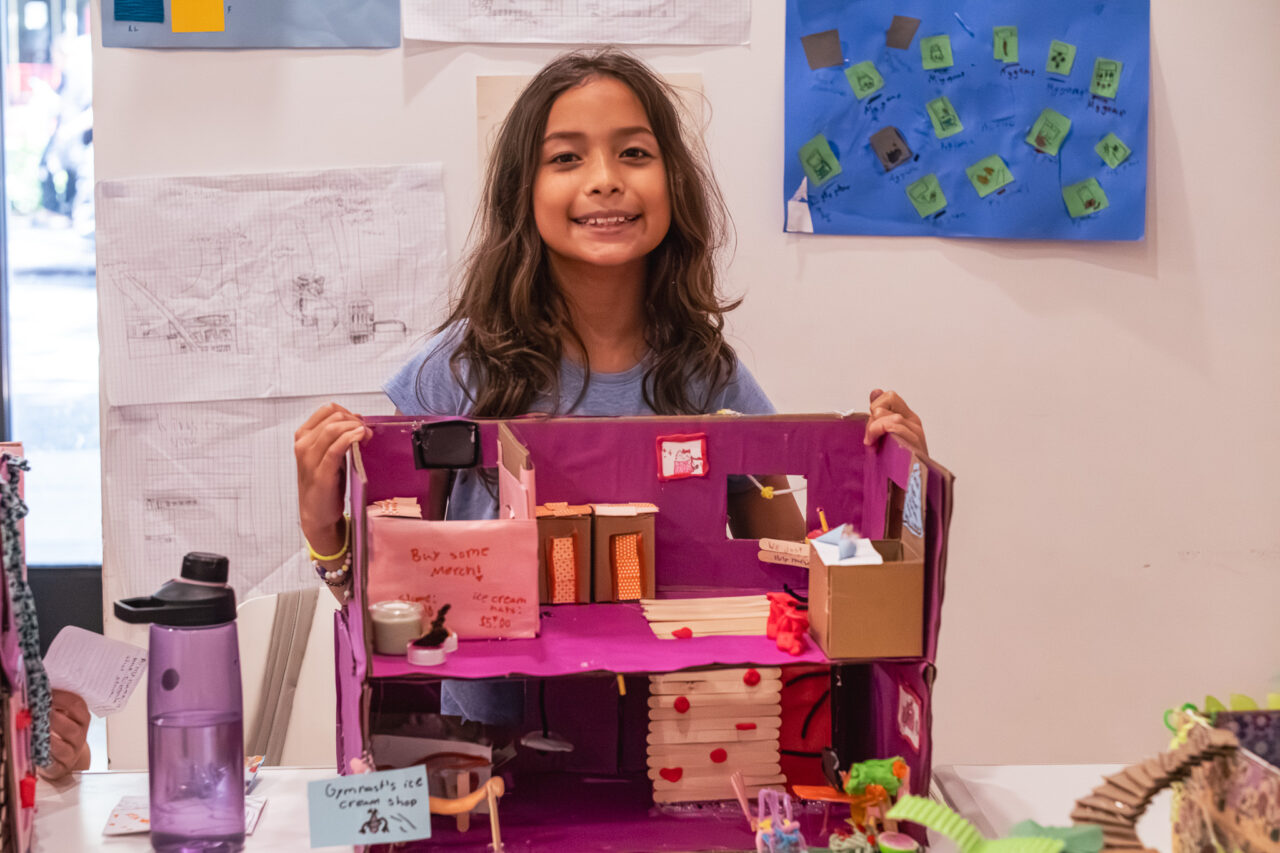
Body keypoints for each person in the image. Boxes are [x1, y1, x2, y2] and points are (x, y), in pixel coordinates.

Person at [294, 48, 927, 719]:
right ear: (522, 191)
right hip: (491, 749)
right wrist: (321, 522)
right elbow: (386, 600)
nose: (604, 181)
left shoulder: (705, 374)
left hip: (674, 733)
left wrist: (900, 497)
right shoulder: (455, 371)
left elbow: (793, 566)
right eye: (566, 158)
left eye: (634, 153)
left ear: (674, 182)